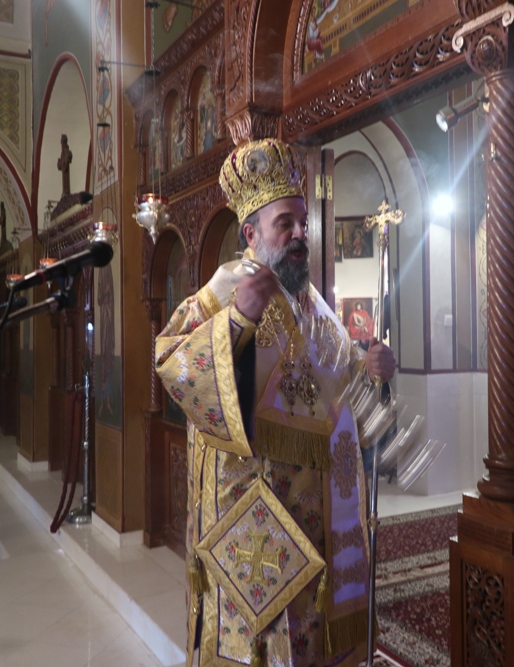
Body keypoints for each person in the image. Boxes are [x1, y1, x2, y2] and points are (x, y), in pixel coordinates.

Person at [155, 138, 396, 666]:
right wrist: (238, 320)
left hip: (312, 515)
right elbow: (171, 360)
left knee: (308, 634)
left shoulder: (312, 304)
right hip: (251, 512)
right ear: (251, 234)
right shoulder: (226, 289)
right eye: (285, 223)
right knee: (261, 642)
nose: (299, 234)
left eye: (302, 223)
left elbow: (340, 381)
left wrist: (372, 369)